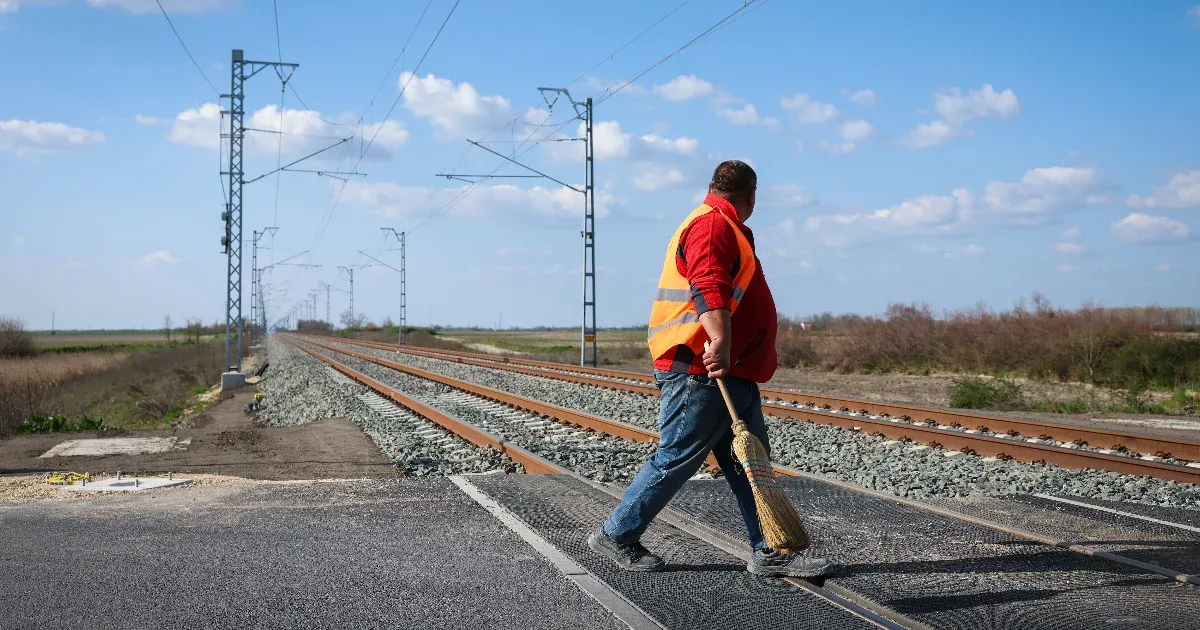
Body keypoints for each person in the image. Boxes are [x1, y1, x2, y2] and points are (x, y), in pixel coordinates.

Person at [588, 160, 830, 578]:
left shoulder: (722, 224)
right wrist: (720, 340)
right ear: (752, 195)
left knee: (749, 464)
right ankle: (616, 534)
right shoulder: (713, 225)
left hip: (729, 370)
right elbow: (708, 284)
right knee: (677, 456)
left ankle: (770, 549)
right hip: (701, 367)